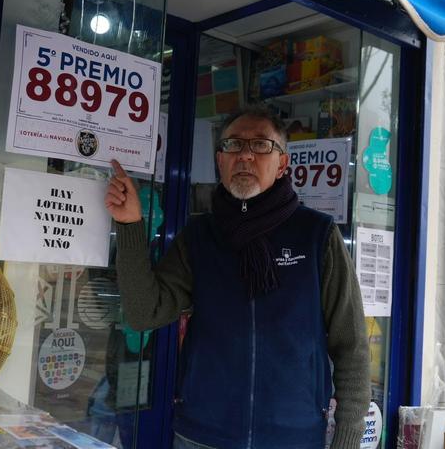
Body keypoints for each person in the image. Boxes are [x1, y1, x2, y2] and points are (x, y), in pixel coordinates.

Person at [105, 105, 370, 449]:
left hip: (293, 437)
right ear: (220, 161)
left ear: (282, 164)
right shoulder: (200, 236)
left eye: (261, 145)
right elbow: (144, 312)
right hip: (202, 434)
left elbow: (351, 347)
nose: (245, 155)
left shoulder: (317, 235)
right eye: (233, 145)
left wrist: (347, 439)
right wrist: (129, 226)